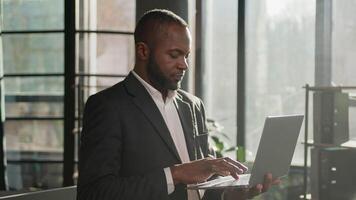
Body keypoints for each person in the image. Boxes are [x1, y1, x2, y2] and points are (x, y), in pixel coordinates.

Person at [77, 9, 279, 200]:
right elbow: (94, 193)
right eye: (174, 55)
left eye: (186, 55)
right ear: (143, 51)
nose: (184, 64)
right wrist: (175, 174)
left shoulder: (193, 106)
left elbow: (201, 190)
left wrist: (233, 195)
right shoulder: (108, 106)